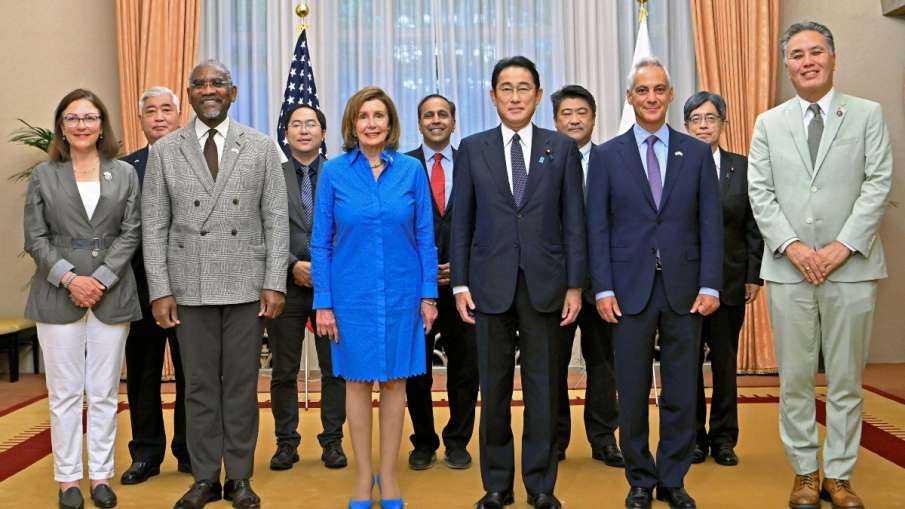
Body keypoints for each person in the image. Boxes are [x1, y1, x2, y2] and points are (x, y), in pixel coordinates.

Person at [748, 21, 892, 509]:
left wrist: (841, 247)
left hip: (851, 268)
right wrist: (793, 247)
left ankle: (840, 475)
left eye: (815, 52)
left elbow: (878, 184)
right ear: (786, 65)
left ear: (833, 57)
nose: (807, 61)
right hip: (788, 270)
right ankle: (806, 473)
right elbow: (760, 193)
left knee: (847, 380)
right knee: (794, 379)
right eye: (797, 55)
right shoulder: (768, 123)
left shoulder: (867, 114)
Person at [142, 59, 289, 509]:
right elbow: (154, 226)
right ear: (189, 94)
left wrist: (275, 282)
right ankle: (205, 477)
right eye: (200, 84)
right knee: (199, 386)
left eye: (218, 83)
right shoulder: (166, 151)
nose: (209, 90)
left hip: (247, 285)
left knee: (242, 386)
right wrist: (160, 289)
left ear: (233, 92)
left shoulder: (260, 146)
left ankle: (240, 477)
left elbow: (276, 220)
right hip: (190, 285)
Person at [586, 57, 723, 509]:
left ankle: (673, 478)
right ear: (630, 97)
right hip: (627, 290)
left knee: (682, 390)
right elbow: (597, 228)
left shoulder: (696, 153)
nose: (651, 97)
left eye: (659, 89)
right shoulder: (607, 155)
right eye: (642, 90)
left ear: (670, 95)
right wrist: (602, 288)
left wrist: (711, 284)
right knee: (632, 390)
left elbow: (710, 224)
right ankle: (640, 479)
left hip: (686, 289)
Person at [451, 56, 586, 509]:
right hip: (488, 286)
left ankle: (541, 485)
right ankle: (497, 485)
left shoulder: (560, 148)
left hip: (546, 285)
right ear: (492, 97)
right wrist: (460, 284)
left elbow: (574, 222)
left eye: (523, 88)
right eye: (506, 88)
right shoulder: (472, 148)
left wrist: (574, 285)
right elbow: (462, 223)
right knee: (493, 390)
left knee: (543, 389)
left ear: (538, 95)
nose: (514, 97)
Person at [311, 86, 438, 509]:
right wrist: (323, 302)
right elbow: (320, 244)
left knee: (397, 382)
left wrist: (428, 296)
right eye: (363, 116)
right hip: (352, 297)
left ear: (390, 123)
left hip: (403, 294)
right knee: (357, 383)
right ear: (352, 124)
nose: (371, 123)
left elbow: (425, 237)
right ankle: (364, 476)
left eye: (379, 116)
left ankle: (389, 474)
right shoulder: (334, 172)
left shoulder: (411, 171)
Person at [24, 88, 142, 509]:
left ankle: (101, 477)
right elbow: (35, 238)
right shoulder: (44, 175)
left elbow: (131, 231)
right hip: (57, 295)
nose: (81, 125)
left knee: (105, 392)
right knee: (65, 394)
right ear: (61, 126)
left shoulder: (124, 173)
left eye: (89, 117)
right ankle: (69, 480)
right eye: (72, 118)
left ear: (102, 125)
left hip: (112, 293)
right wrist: (71, 279)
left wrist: (101, 280)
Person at [682, 91, 764, 467]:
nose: (703, 126)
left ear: (723, 124)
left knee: (725, 364)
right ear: (686, 126)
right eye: (696, 119)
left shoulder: (742, 167)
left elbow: (753, 225)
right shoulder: (675, 166)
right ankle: (694, 438)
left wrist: (753, 275)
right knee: (687, 365)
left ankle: (724, 438)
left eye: (710, 118)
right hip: (685, 284)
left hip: (730, 281)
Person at [267, 103, 347, 472]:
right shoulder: (272, 175)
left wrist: (324, 268)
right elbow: (261, 227)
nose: (303, 130)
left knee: (334, 369)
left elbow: (350, 227)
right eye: (296, 124)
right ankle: (286, 442)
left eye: (311, 124)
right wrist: (291, 265)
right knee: (284, 370)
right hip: (286, 285)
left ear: (323, 133)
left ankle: (333, 441)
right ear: (286, 133)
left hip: (332, 286)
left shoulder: (340, 174)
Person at [119, 86, 192, 486]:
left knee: (191, 375)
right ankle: (146, 454)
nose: (159, 117)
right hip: (140, 289)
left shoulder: (198, 161)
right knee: (143, 375)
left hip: (190, 287)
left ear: (179, 116)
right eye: (151, 111)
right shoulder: (123, 169)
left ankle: (189, 451)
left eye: (167, 109)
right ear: (141, 120)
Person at [403, 93, 479, 471]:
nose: (436, 120)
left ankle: (457, 441)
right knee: (416, 368)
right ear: (419, 123)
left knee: (465, 368)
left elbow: (486, 222)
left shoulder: (474, 164)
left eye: (443, 114)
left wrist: (463, 268)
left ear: (453, 120)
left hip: (465, 286)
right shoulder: (403, 167)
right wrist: (426, 270)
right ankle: (423, 441)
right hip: (417, 288)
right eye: (428, 115)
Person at [550, 84, 623, 467]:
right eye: (567, 113)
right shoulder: (543, 160)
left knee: (603, 363)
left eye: (582, 112)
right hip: (555, 284)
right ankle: (555, 439)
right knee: (552, 364)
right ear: (555, 120)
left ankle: (603, 438)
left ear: (594, 118)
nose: (575, 119)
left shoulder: (611, 160)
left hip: (602, 282)